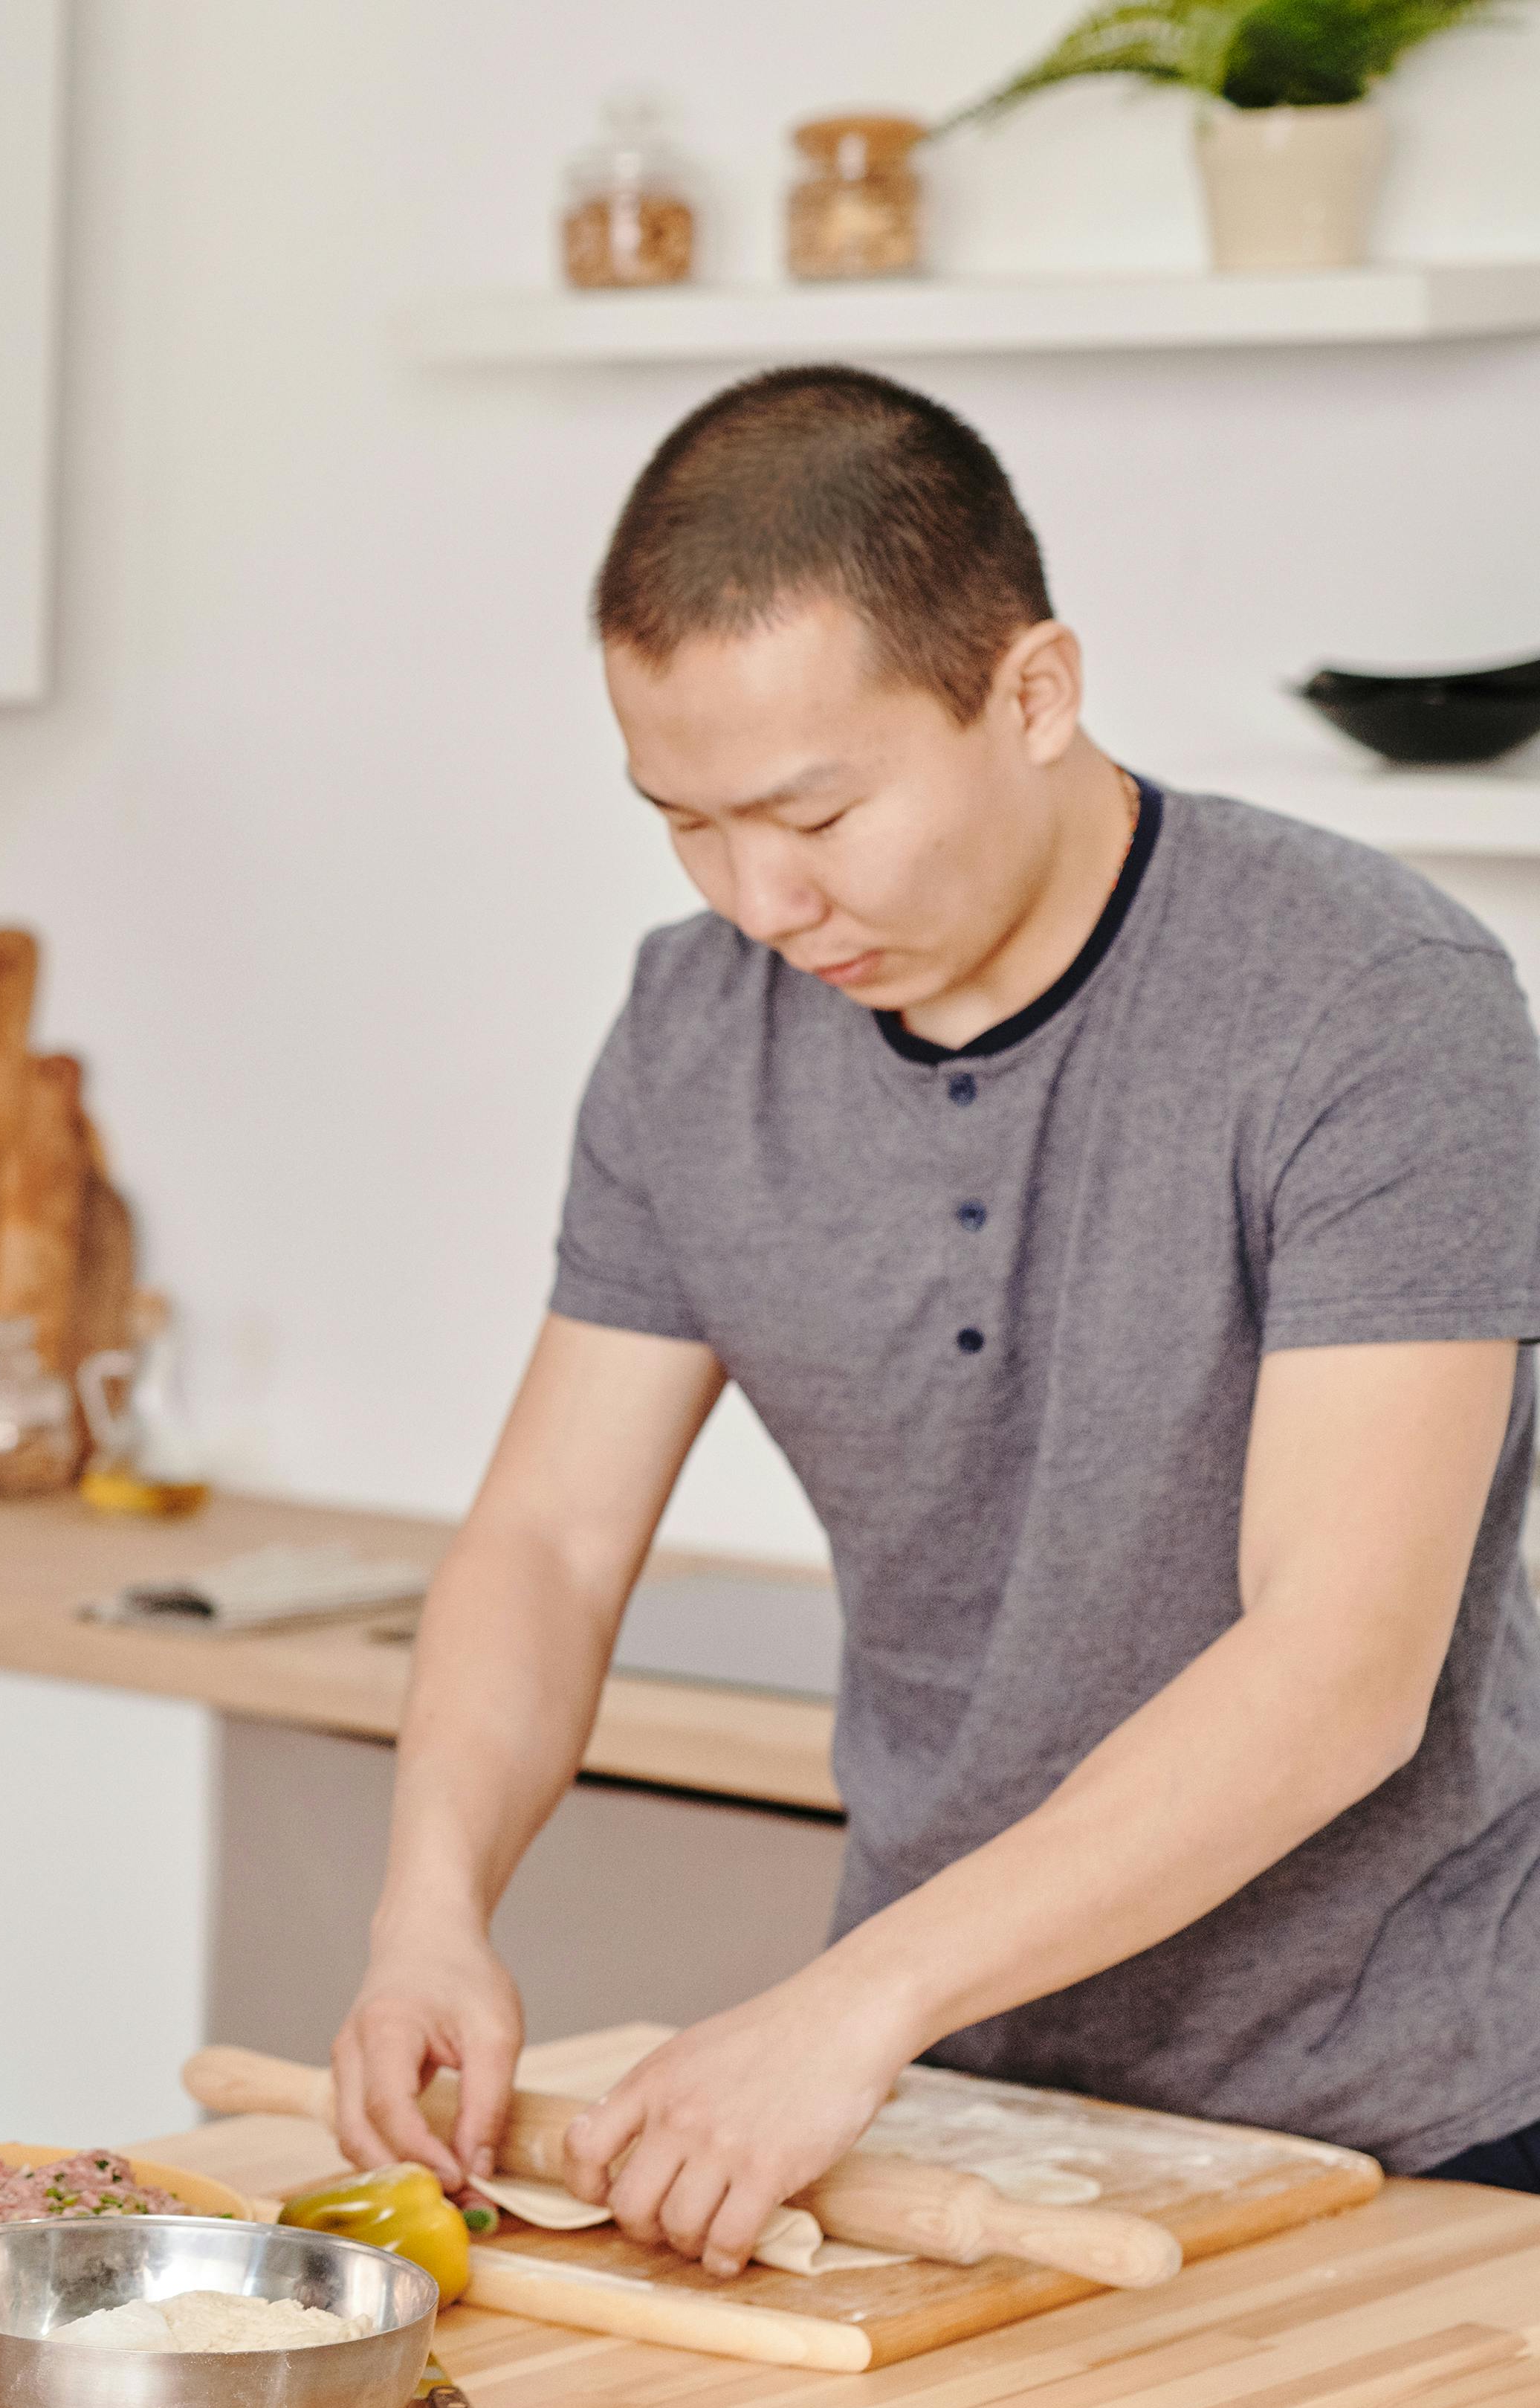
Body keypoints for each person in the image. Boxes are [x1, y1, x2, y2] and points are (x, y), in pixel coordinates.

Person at [330, 365, 1540, 2269]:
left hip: (1407, 2120)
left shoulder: (1377, 1006)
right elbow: (553, 1541)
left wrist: (850, 2003)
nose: (761, 897)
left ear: (1034, 693)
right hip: (959, 2101)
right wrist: (427, 1908)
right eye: (687, 822)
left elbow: (1341, 1665)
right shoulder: (687, 1033)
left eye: (816, 810)